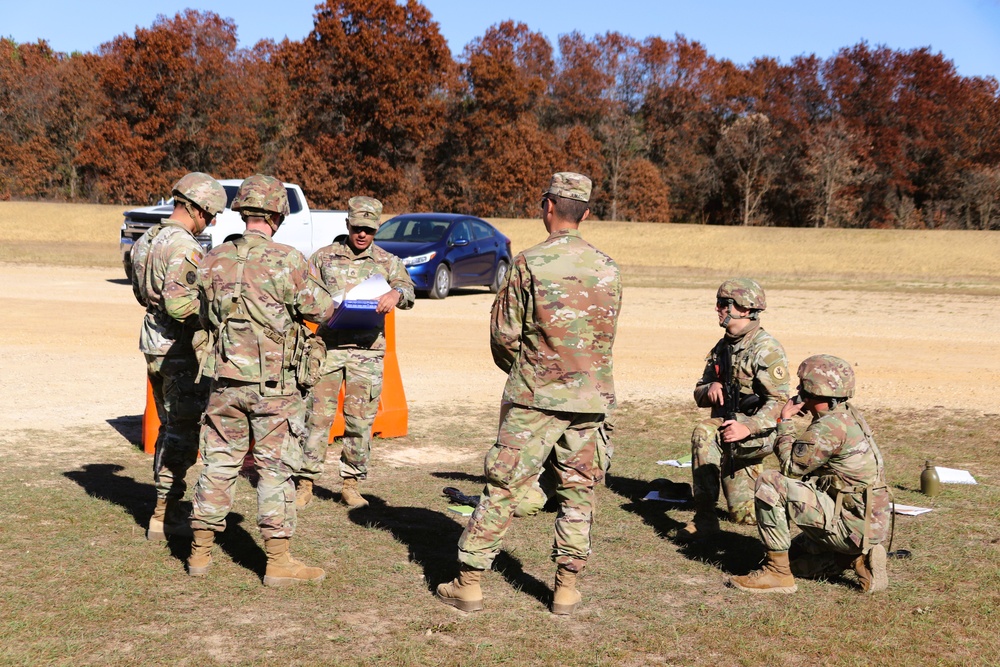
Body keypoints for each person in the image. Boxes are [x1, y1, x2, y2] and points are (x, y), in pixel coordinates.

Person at [436, 172, 621, 615]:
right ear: (587, 213)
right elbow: (603, 337)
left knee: (503, 486)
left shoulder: (529, 263)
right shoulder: (609, 268)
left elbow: (504, 334)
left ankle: (470, 582)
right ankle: (565, 588)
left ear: (548, 206)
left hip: (535, 397)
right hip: (590, 400)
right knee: (579, 492)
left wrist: (528, 370)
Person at [187, 174, 337, 587]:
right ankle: (278, 561)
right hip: (274, 389)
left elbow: (202, 318)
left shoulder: (213, 258)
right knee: (275, 470)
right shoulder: (287, 259)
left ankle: (199, 554)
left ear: (243, 211)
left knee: (218, 463)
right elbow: (321, 309)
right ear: (277, 214)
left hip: (223, 383)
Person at [728, 354, 891, 594]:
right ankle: (853, 559)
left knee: (770, 482)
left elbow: (790, 468)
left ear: (813, 391)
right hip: (862, 521)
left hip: (849, 525)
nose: (797, 390)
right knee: (796, 555)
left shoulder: (828, 427)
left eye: (802, 386)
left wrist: (784, 420)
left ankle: (778, 574)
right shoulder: (847, 415)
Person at [296, 196, 415, 509]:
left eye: (370, 229)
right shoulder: (322, 257)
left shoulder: (386, 261)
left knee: (360, 420)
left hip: (367, 350)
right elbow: (303, 292)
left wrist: (396, 292)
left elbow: (408, 288)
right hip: (329, 347)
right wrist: (324, 306)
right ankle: (305, 482)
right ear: (347, 224)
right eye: (358, 227)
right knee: (317, 417)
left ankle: (350, 483)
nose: (363, 234)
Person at [129, 172, 226, 541]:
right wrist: (214, 312)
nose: (212, 221)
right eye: (211, 213)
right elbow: (180, 302)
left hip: (153, 343)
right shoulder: (184, 247)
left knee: (169, 426)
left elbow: (143, 291)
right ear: (197, 207)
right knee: (182, 433)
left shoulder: (147, 239)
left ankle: (163, 503)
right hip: (179, 349)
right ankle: (164, 513)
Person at [679, 279, 790, 539]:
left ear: (742, 309)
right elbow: (698, 392)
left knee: (705, 432)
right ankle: (705, 519)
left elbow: (780, 403)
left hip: (757, 434)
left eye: (722, 304)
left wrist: (747, 427)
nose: (717, 309)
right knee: (743, 518)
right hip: (729, 430)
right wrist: (711, 389)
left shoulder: (766, 349)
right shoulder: (722, 347)